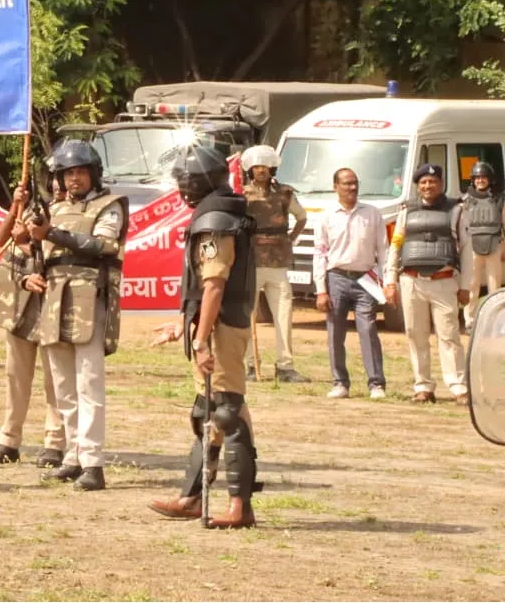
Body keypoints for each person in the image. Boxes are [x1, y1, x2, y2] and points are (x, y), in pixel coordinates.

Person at [149, 145, 260, 529]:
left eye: (186, 181)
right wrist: (184, 323)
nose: (182, 188)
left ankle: (239, 507)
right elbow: (201, 289)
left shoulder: (215, 220)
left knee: (228, 411)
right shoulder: (217, 213)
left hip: (223, 327)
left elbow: (214, 285)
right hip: (214, 323)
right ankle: (192, 497)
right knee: (207, 414)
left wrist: (201, 340)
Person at [23, 140, 128, 492]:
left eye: (81, 171)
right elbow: (34, 251)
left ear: (93, 174)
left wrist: (52, 232)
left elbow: (104, 246)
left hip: (88, 296)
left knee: (88, 382)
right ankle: (72, 454)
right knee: (62, 384)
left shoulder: (109, 206)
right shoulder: (53, 208)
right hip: (54, 297)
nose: (75, 179)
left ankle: (93, 462)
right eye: (69, 172)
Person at [0, 179, 67, 469]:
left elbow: (56, 254)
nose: (60, 188)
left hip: (55, 302)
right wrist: (15, 204)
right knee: (15, 376)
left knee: (55, 379)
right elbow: (2, 238)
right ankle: (8, 440)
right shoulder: (34, 208)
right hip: (21, 304)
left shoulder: (73, 214)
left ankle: (55, 443)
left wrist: (25, 245)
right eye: (56, 182)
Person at [384, 163, 474, 405]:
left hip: (444, 281)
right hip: (412, 281)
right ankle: (423, 386)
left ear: (441, 184)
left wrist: (466, 286)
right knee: (415, 335)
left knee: (449, 336)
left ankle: (458, 387)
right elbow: (396, 245)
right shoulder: (406, 211)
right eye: (423, 182)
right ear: (417, 186)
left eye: (432, 182)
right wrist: (390, 280)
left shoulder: (456, 210)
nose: (427, 186)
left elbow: (466, 250)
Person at [313, 168, 389, 399]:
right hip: (336, 277)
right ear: (335, 186)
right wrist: (321, 290)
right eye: (346, 184)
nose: (352, 188)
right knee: (335, 332)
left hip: (365, 278)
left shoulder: (373, 213)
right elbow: (319, 254)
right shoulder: (326, 216)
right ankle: (340, 383)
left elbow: (383, 250)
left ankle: (376, 384)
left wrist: (386, 281)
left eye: (355, 183)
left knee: (367, 329)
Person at [239, 145, 309, 382]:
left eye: (265, 167)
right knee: (247, 315)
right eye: (257, 166)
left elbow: (302, 217)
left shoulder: (285, 193)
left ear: (272, 168)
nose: (261, 171)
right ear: (250, 169)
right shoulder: (242, 195)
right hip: (252, 261)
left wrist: (290, 238)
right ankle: (248, 364)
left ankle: (285, 366)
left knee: (283, 315)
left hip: (278, 263)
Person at [462, 161, 504, 331]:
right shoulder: (466, 200)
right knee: (472, 285)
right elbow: (461, 224)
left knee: (495, 285)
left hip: (495, 243)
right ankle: (470, 320)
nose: (480, 180)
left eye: (484, 177)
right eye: (478, 177)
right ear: (473, 180)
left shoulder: (499, 199)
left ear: (489, 179)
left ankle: (495, 321)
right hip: (472, 245)